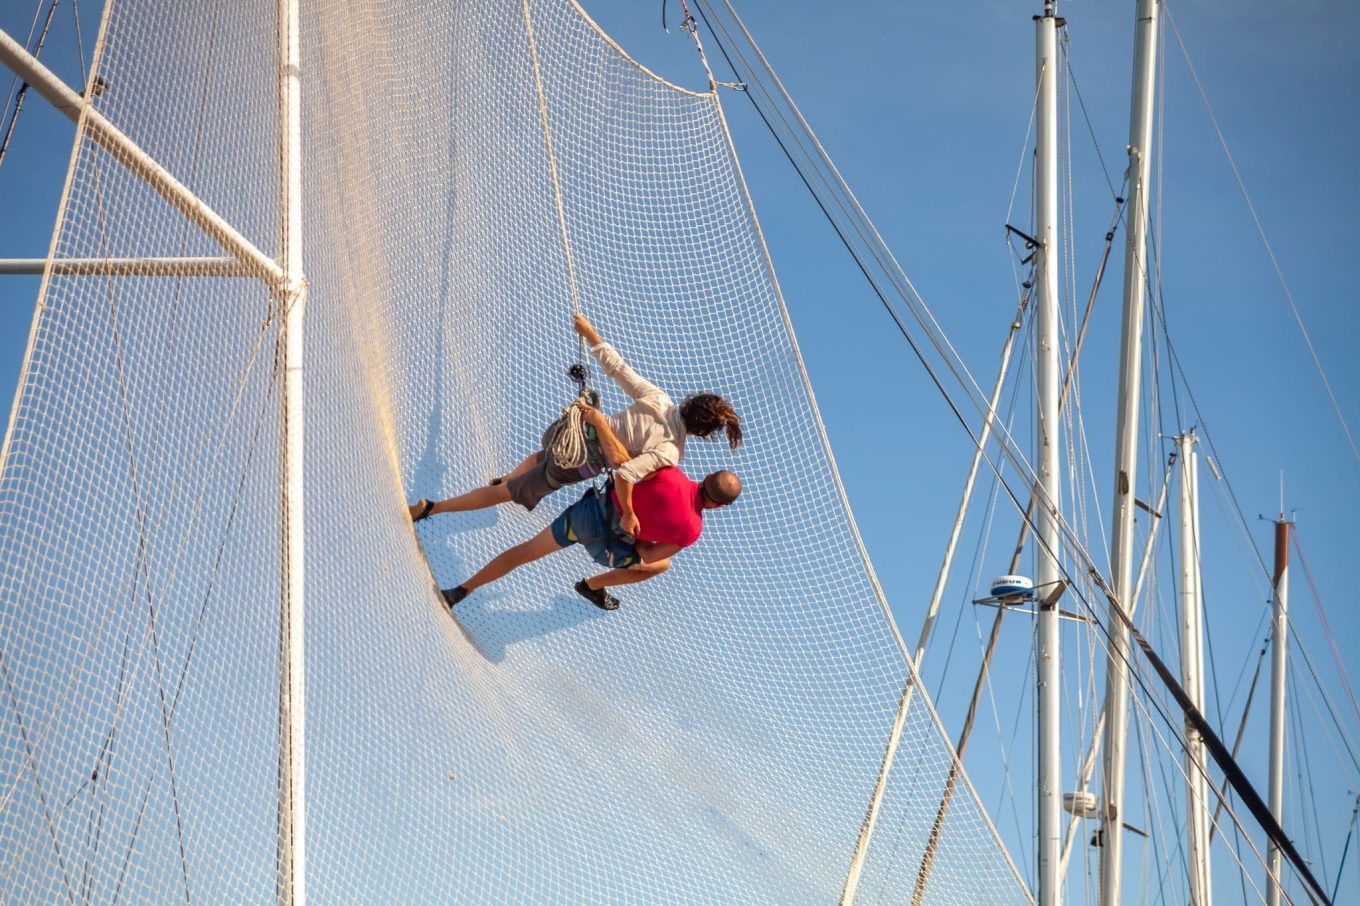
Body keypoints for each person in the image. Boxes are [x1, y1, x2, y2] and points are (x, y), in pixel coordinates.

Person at [408, 313, 741, 537]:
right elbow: (624, 469)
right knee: (505, 494)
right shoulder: (671, 451)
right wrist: (628, 512)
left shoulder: (660, 399)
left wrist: (590, 333)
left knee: (541, 457)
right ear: (702, 433)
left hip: (570, 431)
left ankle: (511, 477)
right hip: (580, 461)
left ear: (690, 402)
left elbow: (619, 369)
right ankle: (434, 508)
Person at [441, 466, 741, 610]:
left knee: (525, 552)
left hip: (585, 517)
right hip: (608, 550)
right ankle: (593, 585)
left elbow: (625, 471)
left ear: (707, 476)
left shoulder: (670, 472)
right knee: (663, 565)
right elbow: (649, 556)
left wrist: (628, 510)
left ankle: (461, 591)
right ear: (719, 506)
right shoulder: (692, 530)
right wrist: (639, 533)